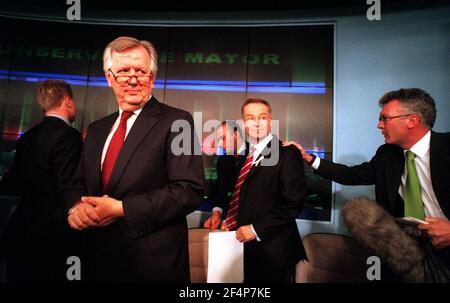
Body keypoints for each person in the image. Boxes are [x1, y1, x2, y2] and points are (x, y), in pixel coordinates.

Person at [66, 36, 204, 282]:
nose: (132, 78)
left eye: (141, 71)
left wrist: (121, 209)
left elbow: (189, 191)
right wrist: (76, 207)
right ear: (109, 78)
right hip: (96, 258)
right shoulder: (97, 128)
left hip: (152, 265)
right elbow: (78, 182)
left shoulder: (178, 122)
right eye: (123, 71)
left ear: (151, 78)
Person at [284, 88, 450, 273]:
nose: (379, 125)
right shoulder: (387, 155)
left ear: (412, 120)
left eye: (384, 118)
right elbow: (350, 175)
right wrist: (308, 158)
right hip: (411, 253)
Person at [0, 79, 82, 282]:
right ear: (68, 101)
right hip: (52, 237)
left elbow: (12, 183)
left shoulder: (27, 137)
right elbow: (68, 188)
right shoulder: (69, 136)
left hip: (20, 231)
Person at [221, 98, 307, 282]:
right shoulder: (244, 155)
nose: (257, 123)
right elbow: (242, 195)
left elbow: (293, 204)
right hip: (243, 246)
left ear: (270, 121)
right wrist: (230, 220)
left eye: (262, 117)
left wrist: (255, 229)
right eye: (251, 118)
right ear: (243, 124)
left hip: (273, 250)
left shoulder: (287, 153)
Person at [204, 120, 245, 230]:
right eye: (218, 140)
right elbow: (220, 190)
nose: (220, 144)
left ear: (236, 135)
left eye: (223, 138)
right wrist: (216, 213)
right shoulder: (223, 160)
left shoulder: (257, 154)